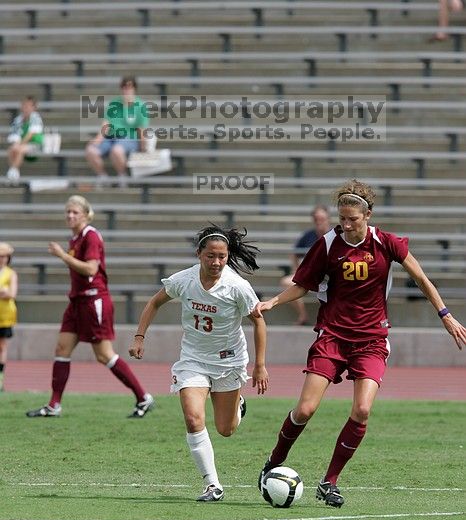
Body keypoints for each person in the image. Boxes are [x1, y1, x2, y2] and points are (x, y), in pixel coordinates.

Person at [254, 179, 466, 508]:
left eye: (353, 218)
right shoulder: (327, 245)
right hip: (333, 336)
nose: (347, 224)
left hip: (371, 338)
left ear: (368, 214)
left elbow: (421, 279)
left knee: (363, 409)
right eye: (342, 218)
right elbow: (303, 284)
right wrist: (273, 302)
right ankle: (272, 463)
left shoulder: (387, 242)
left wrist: (445, 315)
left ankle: (330, 481)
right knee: (306, 409)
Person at [129, 224, 269, 502]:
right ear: (199, 255)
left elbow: (258, 322)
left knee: (225, 430)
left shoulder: (237, 287)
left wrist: (260, 365)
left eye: (222, 257)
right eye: (210, 257)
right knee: (194, 419)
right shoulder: (184, 280)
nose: (216, 262)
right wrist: (139, 336)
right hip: (193, 360)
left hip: (228, 362)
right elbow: (155, 302)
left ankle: (238, 405)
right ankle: (212, 484)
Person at [26, 195, 154, 418]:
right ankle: (54, 405)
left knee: (104, 355)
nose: (70, 216)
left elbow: (91, 270)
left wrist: (62, 256)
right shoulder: (75, 238)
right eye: (68, 212)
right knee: (62, 349)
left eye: (75, 212)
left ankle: (143, 397)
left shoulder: (90, 236)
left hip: (94, 301)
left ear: (85, 214)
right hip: (77, 301)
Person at [85, 75, 148, 186]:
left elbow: (142, 130)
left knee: (117, 150)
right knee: (91, 150)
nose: (126, 90)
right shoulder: (114, 104)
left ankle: (122, 175)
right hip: (110, 138)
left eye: (129, 87)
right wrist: (97, 140)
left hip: (129, 138)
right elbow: (106, 124)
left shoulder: (140, 106)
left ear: (134, 89)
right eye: (124, 87)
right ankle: (103, 176)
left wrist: (144, 149)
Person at [280, 206, 331, 325]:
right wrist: (298, 271)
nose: (319, 222)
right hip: (311, 276)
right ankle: (303, 316)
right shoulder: (309, 235)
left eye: (322, 219)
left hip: (330, 277)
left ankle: (329, 318)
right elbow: (294, 253)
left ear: (328, 219)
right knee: (286, 282)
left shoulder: (335, 235)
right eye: (316, 219)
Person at [6, 96, 44, 182]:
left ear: (34, 107)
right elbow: (14, 135)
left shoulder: (36, 118)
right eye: (24, 105)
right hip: (23, 145)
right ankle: (14, 172)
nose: (25, 108)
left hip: (36, 146)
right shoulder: (18, 120)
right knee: (11, 149)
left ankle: (12, 172)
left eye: (28, 106)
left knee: (19, 149)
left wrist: (19, 144)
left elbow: (31, 134)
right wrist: (16, 144)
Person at [0, 242, 18, 391]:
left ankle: (0, 378)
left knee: (2, 346)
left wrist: (5, 292)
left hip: (5, 315)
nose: (2, 259)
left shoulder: (10, 273)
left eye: (4, 256)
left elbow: (11, 293)